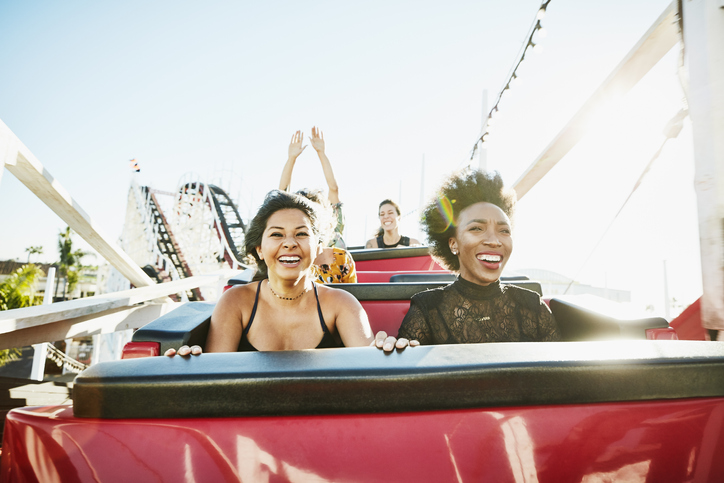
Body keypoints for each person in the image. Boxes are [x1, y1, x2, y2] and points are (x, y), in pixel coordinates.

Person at [166, 190, 405, 356]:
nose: (289, 243)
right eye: (277, 235)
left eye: (301, 234)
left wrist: (386, 352)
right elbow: (212, 381)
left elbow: (367, 370)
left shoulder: (341, 304)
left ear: (318, 247)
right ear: (259, 249)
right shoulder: (235, 302)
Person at [396, 169, 560, 345]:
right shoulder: (427, 310)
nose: (494, 241)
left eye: (504, 231)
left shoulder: (533, 306)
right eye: (476, 228)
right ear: (453, 244)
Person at [280, 129, 356, 284]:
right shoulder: (295, 254)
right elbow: (281, 196)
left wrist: (321, 153)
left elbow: (333, 188)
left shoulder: (341, 256)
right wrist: (291, 158)